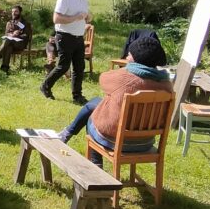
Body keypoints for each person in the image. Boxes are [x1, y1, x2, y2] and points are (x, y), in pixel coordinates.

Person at [57, 37, 172, 167]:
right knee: (97, 102)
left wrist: (126, 69)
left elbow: (103, 79)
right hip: (145, 143)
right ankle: (66, 133)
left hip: (117, 141)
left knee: (93, 113)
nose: (127, 57)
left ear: (136, 58)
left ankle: (95, 164)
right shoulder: (166, 84)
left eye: (129, 54)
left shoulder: (125, 78)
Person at [41, 0, 91, 104]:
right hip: (65, 36)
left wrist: (87, 17)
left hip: (79, 37)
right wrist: (75, 18)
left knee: (79, 67)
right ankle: (45, 86)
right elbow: (56, 19)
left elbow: (86, 17)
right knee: (63, 66)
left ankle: (77, 96)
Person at [0, 5, 32, 74]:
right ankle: (4, 69)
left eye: (16, 11)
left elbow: (27, 35)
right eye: (12, 12)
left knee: (8, 41)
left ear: (20, 12)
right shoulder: (9, 23)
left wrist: (18, 35)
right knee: (8, 46)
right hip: (10, 43)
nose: (13, 13)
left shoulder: (25, 23)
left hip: (21, 43)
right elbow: (6, 34)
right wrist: (11, 35)